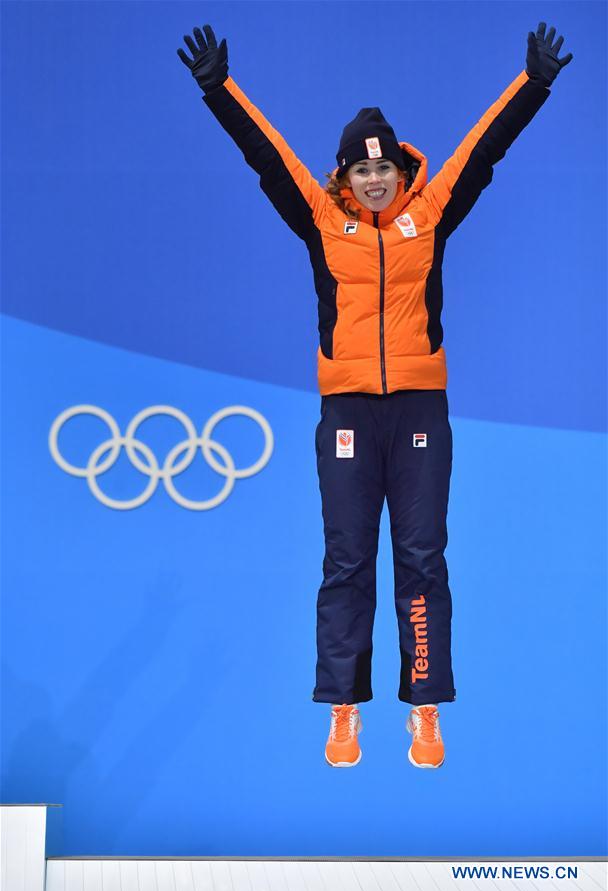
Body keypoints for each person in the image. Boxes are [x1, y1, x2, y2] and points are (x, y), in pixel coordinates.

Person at [178, 21, 572, 769]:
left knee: (423, 557)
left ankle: (424, 708)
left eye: (386, 167)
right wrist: (218, 89)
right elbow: (268, 157)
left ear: (400, 169)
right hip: (348, 413)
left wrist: (535, 83)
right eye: (362, 171)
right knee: (347, 560)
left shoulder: (430, 217)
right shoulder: (323, 224)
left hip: (421, 410)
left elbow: (483, 150)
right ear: (344, 178)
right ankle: (344, 712)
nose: (375, 179)